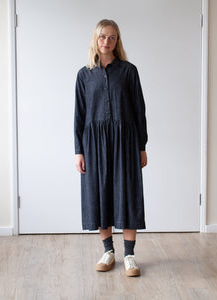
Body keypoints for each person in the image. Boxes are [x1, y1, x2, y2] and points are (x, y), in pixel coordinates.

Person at [74, 19, 148, 277]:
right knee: (99, 193)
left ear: (118, 41)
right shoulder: (84, 74)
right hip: (94, 145)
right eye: (102, 36)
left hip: (125, 142)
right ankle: (108, 251)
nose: (106, 41)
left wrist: (141, 146)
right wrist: (78, 151)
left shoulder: (129, 71)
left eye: (112, 37)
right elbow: (79, 115)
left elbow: (139, 111)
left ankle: (129, 255)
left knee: (127, 194)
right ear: (96, 39)